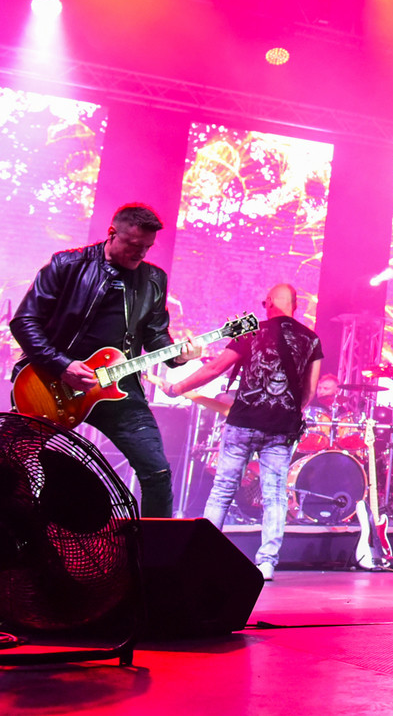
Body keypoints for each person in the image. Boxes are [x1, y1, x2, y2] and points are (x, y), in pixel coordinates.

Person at [9, 202, 196, 517]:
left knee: (157, 472)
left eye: (147, 247)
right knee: (13, 463)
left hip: (118, 388)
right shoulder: (68, 265)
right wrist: (62, 365)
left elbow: (155, 335)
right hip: (51, 384)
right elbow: (24, 321)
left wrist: (179, 356)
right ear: (112, 233)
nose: (140, 254)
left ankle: (154, 547)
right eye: (133, 245)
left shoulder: (153, 279)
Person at [166, 284, 322, 580]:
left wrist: (177, 388)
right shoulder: (311, 339)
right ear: (295, 304)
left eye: (265, 302)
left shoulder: (251, 331)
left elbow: (214, 369)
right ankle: (267, 564)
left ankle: (204, 556)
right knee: (275, 495)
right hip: (281, 429)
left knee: (223, 489)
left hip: (244, 422)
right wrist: (289, 412)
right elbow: (310, 391)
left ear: (270, 302)